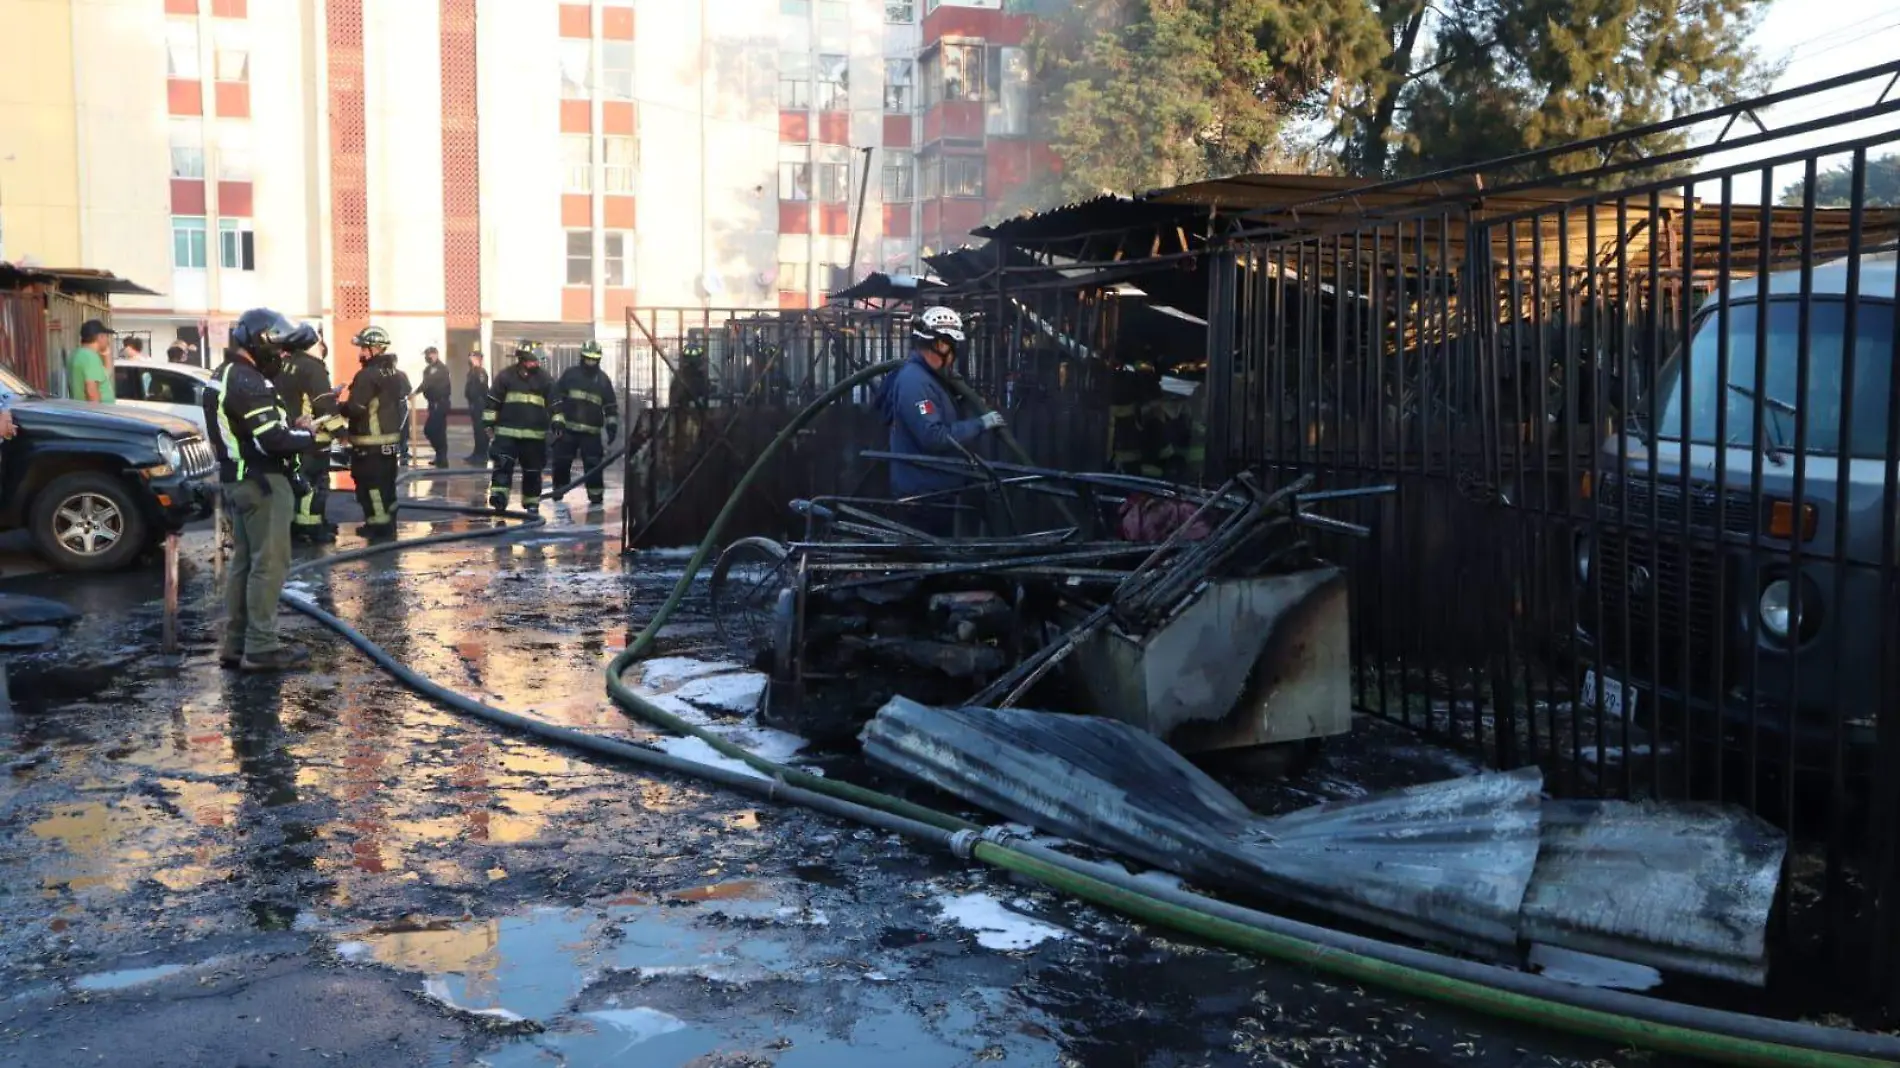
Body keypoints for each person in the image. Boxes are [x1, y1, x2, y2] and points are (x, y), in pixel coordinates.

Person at [205, 308, 320, 673]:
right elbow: (273, 439)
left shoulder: (223, 375)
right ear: (261, 342)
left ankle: (237, 644)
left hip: (240, 482)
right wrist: (307, 434)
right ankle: (261, 646)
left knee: (245, 564)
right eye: (281, 348)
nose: (283, 356)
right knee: (268, 566)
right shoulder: (248, 380)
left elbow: (255, 431)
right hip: (262, 484)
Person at [877, 305, 1004, 537]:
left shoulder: (929, 378)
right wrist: (980, 424)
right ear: (940, 345)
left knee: (939, 560)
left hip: (934, 492)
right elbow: (933, 436)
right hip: (923, 497)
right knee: (927, 563)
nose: (953, 355)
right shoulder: (915, 382)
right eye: (951, 347)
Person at [273, 330, 348, 544]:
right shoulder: (313, 368)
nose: (322, 347)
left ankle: (303, 525)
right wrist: (341, 433)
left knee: (298, 481)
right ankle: (310, 528)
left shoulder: (286, 365)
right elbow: (323, 405)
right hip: (314, 438)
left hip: (291, 435)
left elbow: (302, 397)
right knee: (314, 484)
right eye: (319, 343)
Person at [341, 325, 405, 538]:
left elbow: (355, 408)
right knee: (387, 485)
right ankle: (389, 524)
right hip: (389, 442)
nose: (360, 353)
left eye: (363, 348)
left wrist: (336, 406)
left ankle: (378, 527)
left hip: (370, 442)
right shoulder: (395, 373)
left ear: (375, 348)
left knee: (371, 486)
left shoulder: (367, 376)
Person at [484, 339, 555, 512]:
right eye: (533, 359)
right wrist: (488, 423)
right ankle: (499, 498)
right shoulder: (506, 376)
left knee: (532, 471)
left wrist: (558, 423)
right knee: (503, 465)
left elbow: (555, 403)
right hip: (507, 434)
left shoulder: (545, 379)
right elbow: (493, 401)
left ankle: (531, 503)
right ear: (522, 359)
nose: (536, 363)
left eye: (538, 360)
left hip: (534, 437)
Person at [550, 339, 619, 506]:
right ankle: (559, 490)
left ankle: (595, 496)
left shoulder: (603, 380)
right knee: (561, 461)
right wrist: (557, 420)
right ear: (582, 357)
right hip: (569, 430)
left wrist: (612, 426)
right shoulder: (570, 375)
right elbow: (556, 398)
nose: (590, 363)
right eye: (588, 359)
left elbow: (610, 405)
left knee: (593, 465)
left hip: (591, 433)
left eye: (594, 360)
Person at [413, 346, 454, 468]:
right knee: (438, 431)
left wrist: (415, 392)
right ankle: (441, 458)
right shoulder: (429, 368)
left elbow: (428, 383)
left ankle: (442, 457)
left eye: (429, 354)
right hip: (433, 404)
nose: (427, 357)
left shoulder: (440, 369)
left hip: (440, 404)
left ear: (435, 354)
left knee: (430, 430)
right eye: (426, 355)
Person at [67, 319, 117, 404]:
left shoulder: (77, 354)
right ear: (99, 337)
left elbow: (105, 375)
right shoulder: (90, 357)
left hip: (81, 410)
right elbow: (91, 393)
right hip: (99, 414)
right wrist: (97, 414)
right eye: (106, 336)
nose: (107, 340)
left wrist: (107, 354)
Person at [463, 347, 490, 463]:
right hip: (474, 404)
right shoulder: (472, 371)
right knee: (476, 430)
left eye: (473, 357)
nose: (470, 360)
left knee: (481, 431)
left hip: (480, 404)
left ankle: (482, 455)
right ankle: (476, 453)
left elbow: (483, 389)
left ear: (478, 359)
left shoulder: (480, 372)